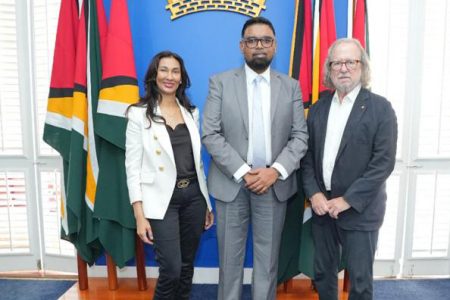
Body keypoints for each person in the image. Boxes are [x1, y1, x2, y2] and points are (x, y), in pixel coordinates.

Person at [202, 17, 308, 300]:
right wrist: (242, 171)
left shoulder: (291, 87)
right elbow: (210, 134)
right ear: (242, 46)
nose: (258, 46)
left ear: (274, 46)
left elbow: (300, 137)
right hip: (231, 184)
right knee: (229, 262)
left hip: (274, 186)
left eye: (266, 40)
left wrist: (275, 171)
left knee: (267, 262)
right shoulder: (220, 83)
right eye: (252, 40)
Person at [302, 38, 398, 300]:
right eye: (337, 62)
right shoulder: (319, 109)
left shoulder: (381, 108)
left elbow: (383, 163)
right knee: (323, 275)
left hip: (360, 209)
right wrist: (315, 194)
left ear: (362, 67)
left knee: (359, 280)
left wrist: (347, 200)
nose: (343, 68)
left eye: (350, 62)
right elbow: (307, 157)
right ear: (329, 69)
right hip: (322, 208)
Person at [125, 51, 214, 300]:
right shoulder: (137, 114)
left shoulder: (191, 113)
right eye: (164, 70)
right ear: (154, 75)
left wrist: (206, 202)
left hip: (194, 198)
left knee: (186, 269)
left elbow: (196, 163)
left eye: (175, 71)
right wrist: (139, 215)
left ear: (182, 78)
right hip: (161, 202)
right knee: (171, 270)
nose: (169, 76)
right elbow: (132, 168)